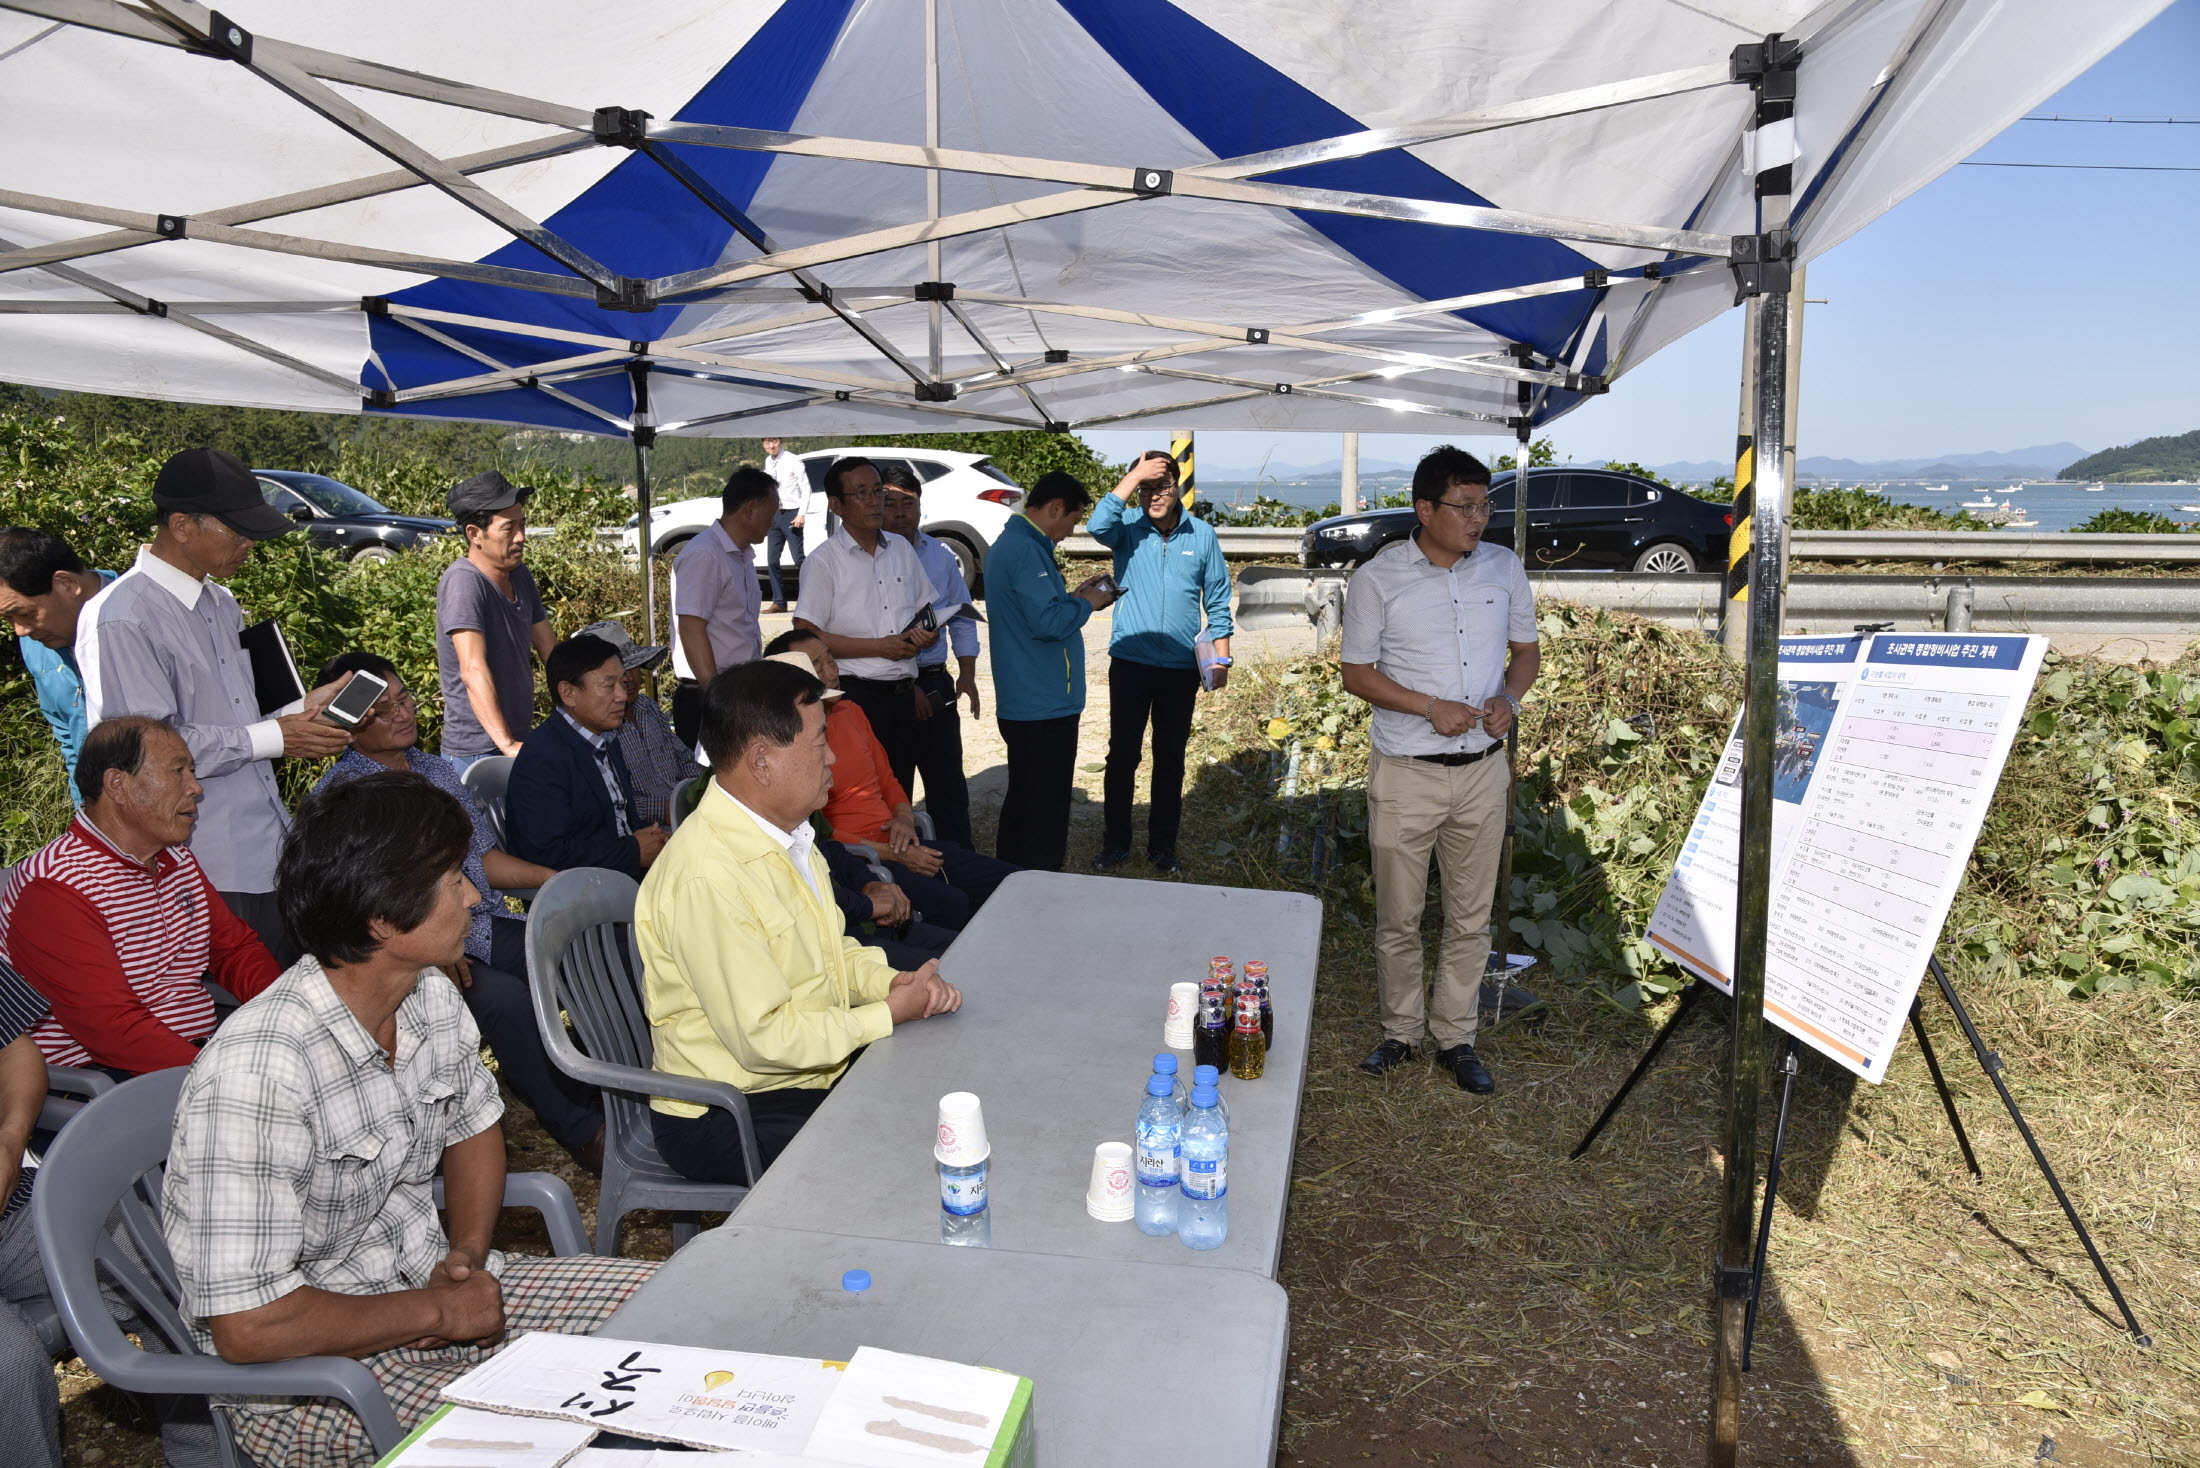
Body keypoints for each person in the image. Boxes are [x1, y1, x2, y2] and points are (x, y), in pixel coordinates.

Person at [161, 772, 657, 1468]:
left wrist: (466, 1257)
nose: (474, 896)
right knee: (585, 1444)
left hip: (428, 1283)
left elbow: (474, 1126)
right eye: (453, 879)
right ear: (384, 920)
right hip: (307, 1382)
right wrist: (437, 1314)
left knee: (678, 1308)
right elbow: (249, 1326)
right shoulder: (259, 1072)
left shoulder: (426, 993)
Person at [637, 658, 962, 1186]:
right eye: (818, 745)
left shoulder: (789, 838)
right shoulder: (709, 876)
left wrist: (892, 983)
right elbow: (762, 1041)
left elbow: (834, 950)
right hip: (727, 1109)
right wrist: (885, 1015)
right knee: (899, 1156)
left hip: (796, 1076)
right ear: (762, 761)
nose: (832, 758)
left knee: (936, 1091)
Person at [311, 652, 604, 1171]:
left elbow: (484, 860)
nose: (402, 715)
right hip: (419, 952)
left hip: (486, 925)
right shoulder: (341, 799)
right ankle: (584, 1132)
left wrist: (551, 880)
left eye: (404, 700)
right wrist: (424, 956)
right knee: (506, 1001)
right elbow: (360, 909)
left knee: (590, 953)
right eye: (382, 710)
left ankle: (605, 1084)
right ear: (347, 726)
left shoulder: (435, 769)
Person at [77, 447, 351, 963]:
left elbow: (233, 724)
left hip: (266, 847)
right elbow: (147, 757)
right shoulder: (122, 617)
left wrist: (297, 715)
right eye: (238, 531)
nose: (248, 545)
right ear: (181, 525)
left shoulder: (221, 603)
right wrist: (276, 736)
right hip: (200, 864)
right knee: (224, 1020)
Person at [1340, 445, 1540, 1095]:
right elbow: (1356, 674)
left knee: (1470, 917)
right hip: (1406, 772)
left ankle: (1456, 1036)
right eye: (1464, 506)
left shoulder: (1504, 569)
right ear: (1425, 510)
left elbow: (1526, 655)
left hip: (1483, 770)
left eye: (1485, 505)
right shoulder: (1377, 580)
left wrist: (1508, 700)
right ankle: (1401, 1030)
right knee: (1399, 915)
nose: (1479, 518)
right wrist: (1429, 707)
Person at [0, 716, 279, 1078]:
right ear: (118, 784)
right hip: (105, 1080)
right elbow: (111, 1030)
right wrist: (224, 1075)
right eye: (178, 771)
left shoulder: (175, 859)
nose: (195, 788)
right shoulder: (55, 887)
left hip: (190, 1053)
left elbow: (235, 950)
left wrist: (286, 1017)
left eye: (192, 771)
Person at [766, 628, 1018, 928]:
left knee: (1010, 880)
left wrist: (903, 816)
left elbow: (886, 778)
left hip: (899, 840)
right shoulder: (792, 739)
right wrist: (893, 854)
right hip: (861, 857)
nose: (831, 670)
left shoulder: (850, 710)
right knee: (955, 904)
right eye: (816, 666)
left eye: (830, 659)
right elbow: (817, 832)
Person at [1087, 450, 1235, 875]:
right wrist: (1135, 476)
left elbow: (1219, 599)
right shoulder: (1126, 531)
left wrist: (1220, 659)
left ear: (1178, 488)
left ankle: (1162, 847)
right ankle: (1115, 844)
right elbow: (1097, 524)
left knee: (1170, 758)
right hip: (1130, 661)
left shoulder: (1202, 535)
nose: (1154, 495)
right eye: (1147, 487)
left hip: (1179, 668)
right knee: (1122, 756)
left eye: (1162, 485)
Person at [985, 471, 1119, 871]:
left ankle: (1011, 875)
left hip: (1030, 697)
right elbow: (1047, 623)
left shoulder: (1018, 544)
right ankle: (1037, 881)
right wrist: (1088, 604)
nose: (1070, 530)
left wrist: (1073, 597)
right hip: (1042, 701)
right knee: (1044, 806)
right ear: (1055, 508)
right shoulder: (1025, 548)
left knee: (1027, 798)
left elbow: (1039, 610)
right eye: (1073, 520)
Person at [793, 456, 940, 796]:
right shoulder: (823, 561)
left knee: (898, 789)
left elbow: (926, 611)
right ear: (836, 505)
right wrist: (879, 647)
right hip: (854, 697)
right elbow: (806, 634)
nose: (875, 501)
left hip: (903, 696)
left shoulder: (901, 548)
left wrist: (927, 634)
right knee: (860, 794)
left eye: (877, 491)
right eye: (862, 493)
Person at [505, 634, 670, 879]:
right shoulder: (543, 758)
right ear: (568, 693)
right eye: (608, 685)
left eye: (622, 684)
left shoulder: (605, 737)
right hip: (586, 897)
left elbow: (622, 820)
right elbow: (543, 854)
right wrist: (632, 851)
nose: (622, 696)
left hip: (626, 876)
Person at [879, 465, 982, 848]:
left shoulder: (939, 554)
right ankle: (905, 868)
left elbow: (963, 615)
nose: (902, 512)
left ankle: (959, 863)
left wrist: (967, 673)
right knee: (894, 788)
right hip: (888, 688)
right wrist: (907, 687)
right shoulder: (868, 558)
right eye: (891, 503)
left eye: (910, 502)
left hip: (937, 681)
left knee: (948, 786)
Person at [435, 470, 555, 773]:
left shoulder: (519, 574)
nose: (521, 537)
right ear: (475, 534)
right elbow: (472, 668)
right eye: (509, 528)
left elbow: (550, 650)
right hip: (478, 751)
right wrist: (507, 745)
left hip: (515, 740)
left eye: (523, 525)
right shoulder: (464, 582)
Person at [0, 959, 64, 1468]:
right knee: (8, 1362)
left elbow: (16, 1050)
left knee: (163, 1259)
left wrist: (10, 1138)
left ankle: (201, 1454)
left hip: (14, 1206)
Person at [0, 526, 117, 803]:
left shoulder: (147, 616)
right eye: (7, 619)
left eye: (25, 613)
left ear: (67, 584)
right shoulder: (37, 641)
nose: (19, 631)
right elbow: (70, 739)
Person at [670, 466, 776, 744]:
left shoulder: (740, 556)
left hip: (735, 692)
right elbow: (691, 628)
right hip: (708, 693)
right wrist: (715, 695)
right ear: (751, 509)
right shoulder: (705, 553)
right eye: (771, 513)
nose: (773, 522)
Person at [580, 619, 702, 828]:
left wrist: (706, 786)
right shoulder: (595, 727)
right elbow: (607, 799)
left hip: (683, 813)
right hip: (643, 830)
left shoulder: (647, 707)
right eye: (614, 677)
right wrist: (665, 809)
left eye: (632, 667)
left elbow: (683, 759)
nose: (629, 679)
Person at [761, 437, 810, 613]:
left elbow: (806, 488)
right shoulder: (768, 461)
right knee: (772, 560)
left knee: (798, 559)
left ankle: (812, 595)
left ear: (780, 442)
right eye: (767, 442)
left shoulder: (792, 460)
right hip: (775, 514)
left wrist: (801, 513)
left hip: (791, 513)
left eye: (774, 441)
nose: (771, 446)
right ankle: (779, 601)